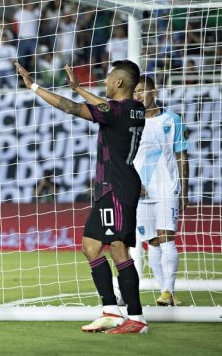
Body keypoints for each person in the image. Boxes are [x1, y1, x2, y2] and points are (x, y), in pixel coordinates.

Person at [16, 60, 148, 334]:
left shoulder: (115, 111)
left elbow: (71, 108)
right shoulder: (135, 109)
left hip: (117, 186)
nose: (107, 80)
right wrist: (79, 88)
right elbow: (103, 106)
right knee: (90, 245)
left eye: (110, 77)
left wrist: (35, 86)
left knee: (118, 249)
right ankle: (111, 311)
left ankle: (137, 318)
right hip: (110, 186)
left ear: (120, 82)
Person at [132, 75, 189, 307]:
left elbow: (182, 156)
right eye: (134, 92)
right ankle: (166, 293)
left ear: (154, 92)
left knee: (166, 237)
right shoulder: (131, 123)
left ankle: (167, 290)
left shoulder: (172, 119)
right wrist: (132, 184)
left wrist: (184, 190)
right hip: (141, 190)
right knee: (152, 241)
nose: (137, 96)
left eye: (142, 91)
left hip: (167, 186)